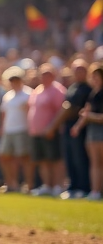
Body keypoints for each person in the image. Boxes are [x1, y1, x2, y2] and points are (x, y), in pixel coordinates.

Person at [49, 60, 92, 199]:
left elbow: (73, 108)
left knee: (80, 158)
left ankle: (83, 187)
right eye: (76, 70)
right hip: (68, 127)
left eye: (81, 70)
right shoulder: (72, 87)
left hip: (79, 128)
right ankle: (73, 186)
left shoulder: (88, 88)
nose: (79, 73)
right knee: (70, 157)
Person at [27, 64, 67, 196]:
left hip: (51, 131)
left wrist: (52, 128)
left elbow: (61, 112)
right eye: (43, 74)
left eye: (47, 74)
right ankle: (47, 185)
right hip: (37, 132)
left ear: (53, 75)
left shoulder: (57, 90)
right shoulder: (38, 90)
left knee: (55, 159)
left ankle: (57, 185)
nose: (44, 77)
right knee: (43, 160)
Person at [0, 66, 34, 194]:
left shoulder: (28, 94)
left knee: (24, 158)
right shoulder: (8, 95)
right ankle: (11, 183)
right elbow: (4, 113)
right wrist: (2, 127)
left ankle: (28, 185)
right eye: (12, 80)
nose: (14, 83)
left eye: (16, 80)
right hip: (9, 130)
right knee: (3, 156)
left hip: (22, 129)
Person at [71, 64, 103, 200]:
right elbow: (87, 112)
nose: (94, 79)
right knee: (95, 163)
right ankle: (95, 191)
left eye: (97, 76)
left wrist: (89, 117)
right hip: (92, 131)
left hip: (100, 131)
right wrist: (77, 126)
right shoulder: (93, 93)